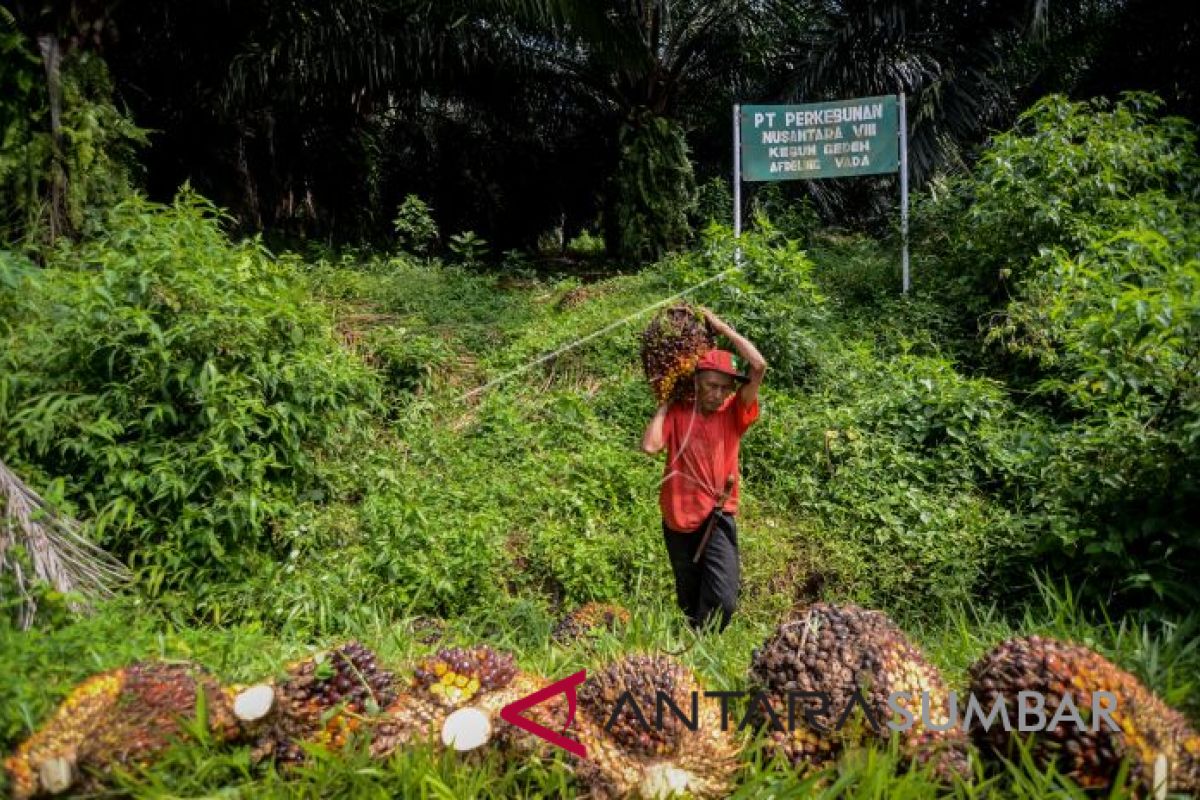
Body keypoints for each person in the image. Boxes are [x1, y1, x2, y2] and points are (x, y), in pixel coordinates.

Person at [641, 308, 767, 632]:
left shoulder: (733, 413)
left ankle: (704, 637)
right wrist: (667, 400)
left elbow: (758, 366)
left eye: (725, 387)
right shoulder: (680, 411)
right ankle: (696, 650)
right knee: (689, 598)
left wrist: (723, 327)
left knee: (723, 600)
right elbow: (651, 446)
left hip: (717, 515)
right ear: (696, 382)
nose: (719, 394)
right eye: (712, 385)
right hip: (678, 518)